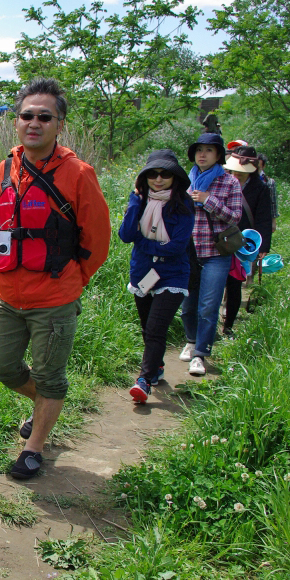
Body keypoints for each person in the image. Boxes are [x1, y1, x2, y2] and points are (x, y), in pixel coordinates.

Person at [0, 77, 111, 479]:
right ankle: (47, 404)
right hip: (7, 293)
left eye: (44, 116)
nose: (33, 123)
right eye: (26, 115)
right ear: (16, 121)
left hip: (55, 295)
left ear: (59, 124)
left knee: (49, 374)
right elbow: (2, 221)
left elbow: (98, 238)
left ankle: (33, 447)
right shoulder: (4, 169)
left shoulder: (79, 173)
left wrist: (72, 281)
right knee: (1, 368)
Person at [118, 150, 194, 403]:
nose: (158, 179)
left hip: (172, 274)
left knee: (155, 329)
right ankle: (157, 366)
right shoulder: (139, 201)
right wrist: (135, 203)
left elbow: (177, 246)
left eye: (165, 174)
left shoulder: (183, 204)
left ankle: (144, 380)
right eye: (153, 174)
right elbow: (126, 235)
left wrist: (143, 242)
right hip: (143, 272)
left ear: (175, 177)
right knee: (147, 327)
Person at [179, 133, 244, 376]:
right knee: (187, 304)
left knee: (208, 306)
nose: (202, 155)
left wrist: (208, 200)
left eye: (208, 150)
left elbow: (235, 217)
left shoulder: (229, 182)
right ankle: (191, 340)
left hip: (216, 253)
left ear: (218, 155)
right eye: (199, 150)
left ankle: (200, 354)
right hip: (189, 252)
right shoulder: (186, 180)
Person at [223, 146, 272, 335]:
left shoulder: (261, 188)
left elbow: (263, 218)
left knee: (235, 283)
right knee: (217, 282)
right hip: (221, 238)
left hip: (244, 242)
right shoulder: (224, 182)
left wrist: (263, 246)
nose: (237, 173)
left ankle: (228, 326)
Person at [259, 153, 279, 234]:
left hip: (265, 217)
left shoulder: (269, 182)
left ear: (263, 167)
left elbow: (273, 202)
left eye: (259, 167)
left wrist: (273, 221)